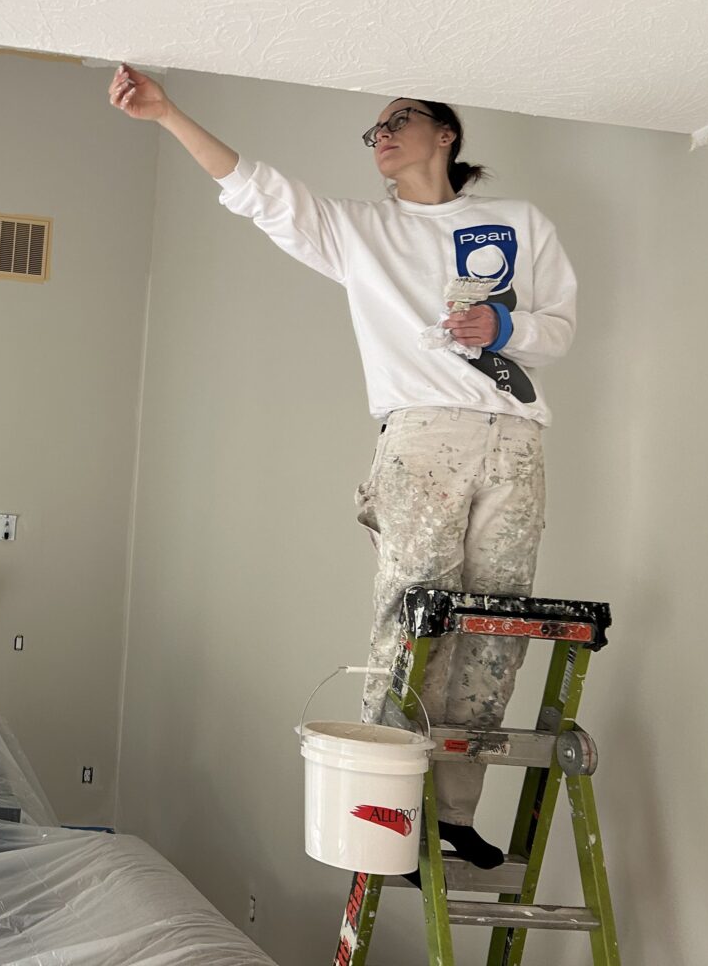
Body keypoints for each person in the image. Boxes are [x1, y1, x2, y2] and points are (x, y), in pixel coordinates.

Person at [109, 65, 577, 872]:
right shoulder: (361, 230)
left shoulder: (517, 220)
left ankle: (452, 813)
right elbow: (259, 191)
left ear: (447, 133)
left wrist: (501, 323)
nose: (382, 136)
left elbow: (559, 330)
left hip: (517, 437)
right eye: (374, 131)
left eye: (400, 120)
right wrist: (166, 115)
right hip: (423, 438)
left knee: (494, 628)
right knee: (416, 619)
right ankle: (388, 810)